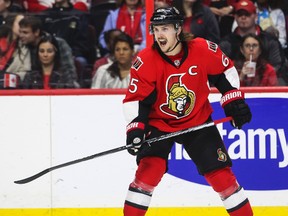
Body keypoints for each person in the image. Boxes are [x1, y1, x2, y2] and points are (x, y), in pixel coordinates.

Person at [122, 6, 253, 216]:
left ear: (177, 29)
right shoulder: (145, 61)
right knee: (148, 172)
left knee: (221, 176)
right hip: (160, 124)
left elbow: (224, 73)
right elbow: (139, 101)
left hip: (198, 120)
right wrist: (136, 128)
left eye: (165, 28)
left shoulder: (201, 49)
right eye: (156, 29)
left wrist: (233, 101)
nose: (159, 34)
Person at [219, 0, 287, 85]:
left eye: (247, 14)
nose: (243, 17)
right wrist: (239, 76)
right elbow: (220, 70)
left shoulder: (270, 40)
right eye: (240, 14)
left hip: (266, 84)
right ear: (235, 17)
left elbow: (278, 65)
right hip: (235, 85)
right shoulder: (226, 43)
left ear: (255, 16)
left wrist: (261, 76)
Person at [18, 15, 79, 85]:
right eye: (20, 32)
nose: (20, 35)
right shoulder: (23, 47)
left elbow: (69, 71)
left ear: (36, 32)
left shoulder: (59, 44)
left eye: (25, 32)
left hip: (60, 85)